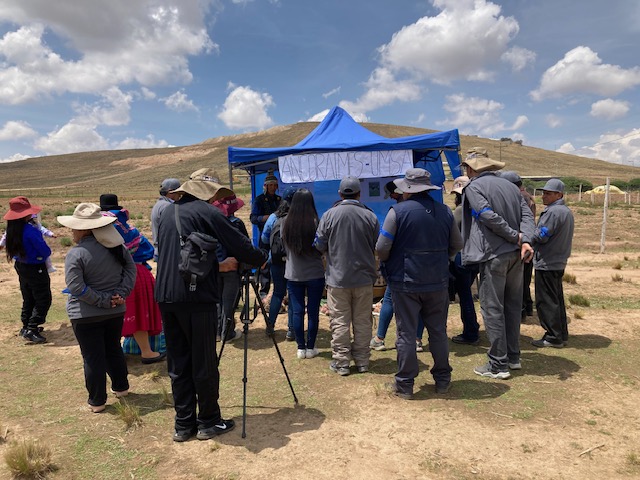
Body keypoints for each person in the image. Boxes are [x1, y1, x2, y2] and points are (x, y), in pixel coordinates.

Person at [155, 168, 267, 442]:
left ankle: (183, 425)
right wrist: (261, 258)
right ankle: (208, 421)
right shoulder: (207, 212)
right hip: (196, 297)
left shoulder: (167, 212)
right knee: (203, 362)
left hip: (166, 296)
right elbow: (239, 245)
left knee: (178, 362)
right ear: (207, 192)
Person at [377, 168, 463, 399]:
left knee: (406, 333)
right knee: (438, 331)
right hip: (438, 281)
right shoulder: (445, 211)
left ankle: (405, 384)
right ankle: (443, 380)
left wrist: (390, 262)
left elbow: (381, 248)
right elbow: (457, 244)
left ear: (407, 189)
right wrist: (443, 259)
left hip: (405, 282)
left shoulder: (397, 212)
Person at [460, 148, 535, 380]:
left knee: (492, 309)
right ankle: (513, 356)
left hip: (494, 254)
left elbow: (486, 215)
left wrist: (514, 237)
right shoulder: (512, 187)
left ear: (471, 168)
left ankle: (498, 364)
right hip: (515, 255)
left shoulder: (473, 187)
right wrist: (525, 240)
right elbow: (528, 216)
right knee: (512, 306)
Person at [57, 203, 136, 413]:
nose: (72, 232)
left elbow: (76, 287)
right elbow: (131, 269)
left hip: (86, 314)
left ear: (84, 230)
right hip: (115, 310)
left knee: (93, 357)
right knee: (113, 349)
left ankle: (97, 401)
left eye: (74, 228)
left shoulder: (77, 253)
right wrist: (120, 294)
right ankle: (121, 388)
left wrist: (102, 300)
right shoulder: (117, 247)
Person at [315, 176, 379, 376]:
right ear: (359, 193)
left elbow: (319, 244)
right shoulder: (370, 216)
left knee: (340, 321)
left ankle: (342, 362)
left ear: (340, 194)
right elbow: (377, 245)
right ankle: (362, 361)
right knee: (362, 320)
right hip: (364, 278)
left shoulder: (329, 215)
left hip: (338, 278)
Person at [99, 193, 166, 364]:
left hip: (109, 275)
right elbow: (148, 251)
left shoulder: (99, 230)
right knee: (137, 313)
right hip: (137, 274)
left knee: (111, 315)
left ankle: (114, 352)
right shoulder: (129, 230)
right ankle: (146, 352)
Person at [370, 179, 426, 352]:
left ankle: (379, 339)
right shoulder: (425, 210)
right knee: (421, 302)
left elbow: (382, 244)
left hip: (401, 266)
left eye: (392, 195)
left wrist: (386, 260)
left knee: (389, 299)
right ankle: (416, 340)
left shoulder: (396, 212)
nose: (391, 198)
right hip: (423, 264)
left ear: (398, 193)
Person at [530, 179, 574, 348]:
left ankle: (552, 336)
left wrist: (527, 235)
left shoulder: (553, 212)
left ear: (559, 195)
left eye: (548, 193)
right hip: (558, 260)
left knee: (546, 301)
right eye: (544, 193)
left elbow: (541, 236)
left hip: (547, 261)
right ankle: (561, 334)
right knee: (556, 299)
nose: (544, 196)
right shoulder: (566, 211)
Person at [282, 189, 326, 359]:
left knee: (297, 311)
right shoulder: (315, 222)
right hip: (315, 273)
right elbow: (321, 246)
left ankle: (301, 348)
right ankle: (311, 346)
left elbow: (284, 247)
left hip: (293, 273)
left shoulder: (285, 222)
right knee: (313, 311)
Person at [3, 196, 52, 343]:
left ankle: (26, 325)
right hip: (35, 268)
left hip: (21, 266)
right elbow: (45, 251)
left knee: (28, 296)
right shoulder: (30, 231)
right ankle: (32, 328)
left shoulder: (11, 231)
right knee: (43, 298)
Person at [211, 191, 248, 343]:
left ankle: (217, 332)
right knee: (229, 302)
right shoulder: (236, 223)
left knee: (217, 300)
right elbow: (245, 245)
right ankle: (228, 333)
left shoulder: (212, 222)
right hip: (232, 267)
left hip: (215, 266)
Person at [449, 175, 481, 346]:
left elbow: (452, 235)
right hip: (477, 256)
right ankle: (472, 327)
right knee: (467, 294)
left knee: (465, 296)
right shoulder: (478, 208)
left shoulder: (460, 210)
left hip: (462, 257)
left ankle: (470, 331)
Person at [261, 187, 297, 340]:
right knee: (293, 294)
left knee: (277, 292)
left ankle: (270, 325)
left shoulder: (274, 217)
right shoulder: (299, 217)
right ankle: (291, 331)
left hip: (276, 260)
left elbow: (264, 238)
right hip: (294, 261)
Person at [501, 171, 537, 319]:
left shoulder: (518, 197)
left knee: (517, 282)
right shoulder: (528, 196)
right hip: (529, 239)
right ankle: (528, 307)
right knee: (525, 279)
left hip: (519, 241)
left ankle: (520, 311)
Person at [250, 169, 281, 298]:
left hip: (278, 236)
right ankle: (263, 291)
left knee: (279, 261)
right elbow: (253, 218)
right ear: (266, 186)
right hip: (265, 235)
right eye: (270, 185)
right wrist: (267, 218)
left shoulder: (280, 200)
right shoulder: (259, 200)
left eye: (274, 185)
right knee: (264, 262)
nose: (272, 187)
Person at [151, 178, 182, 261]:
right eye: (178, 193)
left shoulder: (159, 204)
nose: (180, 196)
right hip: (166, 251)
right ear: (170, 192)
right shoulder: (167, 207)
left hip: (160, 249)